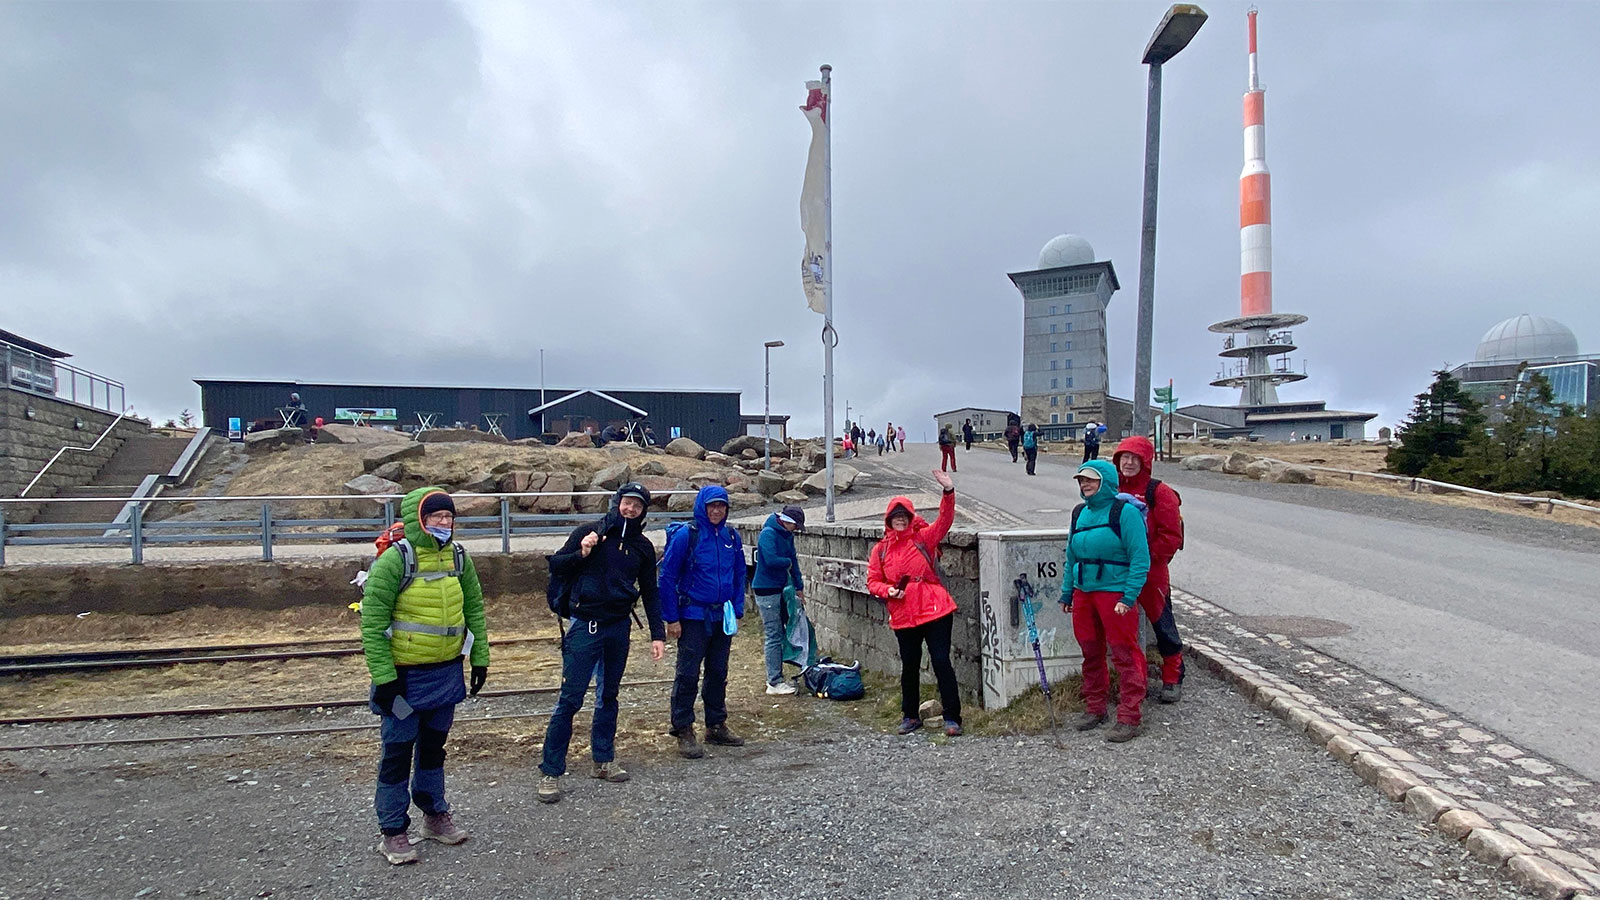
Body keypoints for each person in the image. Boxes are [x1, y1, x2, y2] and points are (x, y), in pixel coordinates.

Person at [361, 487, 491, 864]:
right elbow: (372, 624)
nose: (444, 523)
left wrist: (480, 658)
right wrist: (385, 678)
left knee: (434, 750)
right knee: (397, 754)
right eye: (436, 516)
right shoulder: (394, 561)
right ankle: (392, 831)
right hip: (403, 679)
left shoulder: (459, 558)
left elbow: (475, 609)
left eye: (449, 517)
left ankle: (434, 815)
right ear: (420, 519)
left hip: (446, 674)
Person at [538, 482, 666, 804]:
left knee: (608, 696)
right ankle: (551, 772)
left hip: (618, 627)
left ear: (643, 511)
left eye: (638, 505)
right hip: (586, 625)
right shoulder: (589, 531)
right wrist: (582, 552)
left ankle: (603, 760)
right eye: (627, 502)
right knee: (570, 700)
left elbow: (650, 592)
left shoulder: (643, 547)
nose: (631, 509)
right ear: (617, 502)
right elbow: (556, 566)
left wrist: (657, 634)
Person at [1059, 460, 1150, 743]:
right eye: (1081, 480)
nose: (1084, 484)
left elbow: (1140, 558)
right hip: (1084, 593)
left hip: (1114, 593)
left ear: (1106, 482)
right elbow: (1071, 557)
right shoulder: (1079, 513)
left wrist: (1129, 597)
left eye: (1091, 479)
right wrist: (1067, 592)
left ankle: (1130, 716)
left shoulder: (1125, 513)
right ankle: (1095, 707)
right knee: (1090, 651)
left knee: (1124, 653)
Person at [868, 472, 962, 736]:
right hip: (903, 613)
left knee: (941, 661)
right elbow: (873, 581)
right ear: (888, 520)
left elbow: (944, 520)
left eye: (904, 515)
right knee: (909, 665)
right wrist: (888, 590)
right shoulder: (880, 550)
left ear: (910, 517)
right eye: (895, 516)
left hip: (934, 609)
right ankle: (910, 716)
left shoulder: (923, 538)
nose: (900, 519)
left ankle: (952, 717)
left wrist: (948, 491)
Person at [660, 485, 748, 759]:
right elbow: (667, 577)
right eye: (712, 505)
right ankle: (683, 728)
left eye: (721, 506)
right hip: (693, 616)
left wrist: (737, 607)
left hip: (722, 616)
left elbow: (739, 573)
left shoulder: (731, 536)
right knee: (688, 673)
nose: (717, 510)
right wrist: (671, 618)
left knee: (718, 672)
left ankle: (716, 725)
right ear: (702, 506)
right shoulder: (688, 535)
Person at [1111, 436, 1186, 702]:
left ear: (1146, 462)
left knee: (1162, 624)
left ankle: (1173, 675)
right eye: (1124, 457)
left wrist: (1143, 559)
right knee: (1119, 626)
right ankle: (1130, 680)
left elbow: (1171, 536)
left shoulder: (1159, 492)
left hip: (1150, 571)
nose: (1129, 463)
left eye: (1135, 458)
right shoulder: (1110, 488)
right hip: (1116, 569)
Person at [752, 505, 806, 695]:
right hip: (767, 589)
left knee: (785, 630)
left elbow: (794, 561)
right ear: (786, 521)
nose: (796, 530)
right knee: (773, 634)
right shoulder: (768, 533)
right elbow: (771, 560)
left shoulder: (787, 535)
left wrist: (799, 587)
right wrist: (787, 562)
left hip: (783, 588)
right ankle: (774, 682)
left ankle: (783, 672)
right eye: (795, 525)